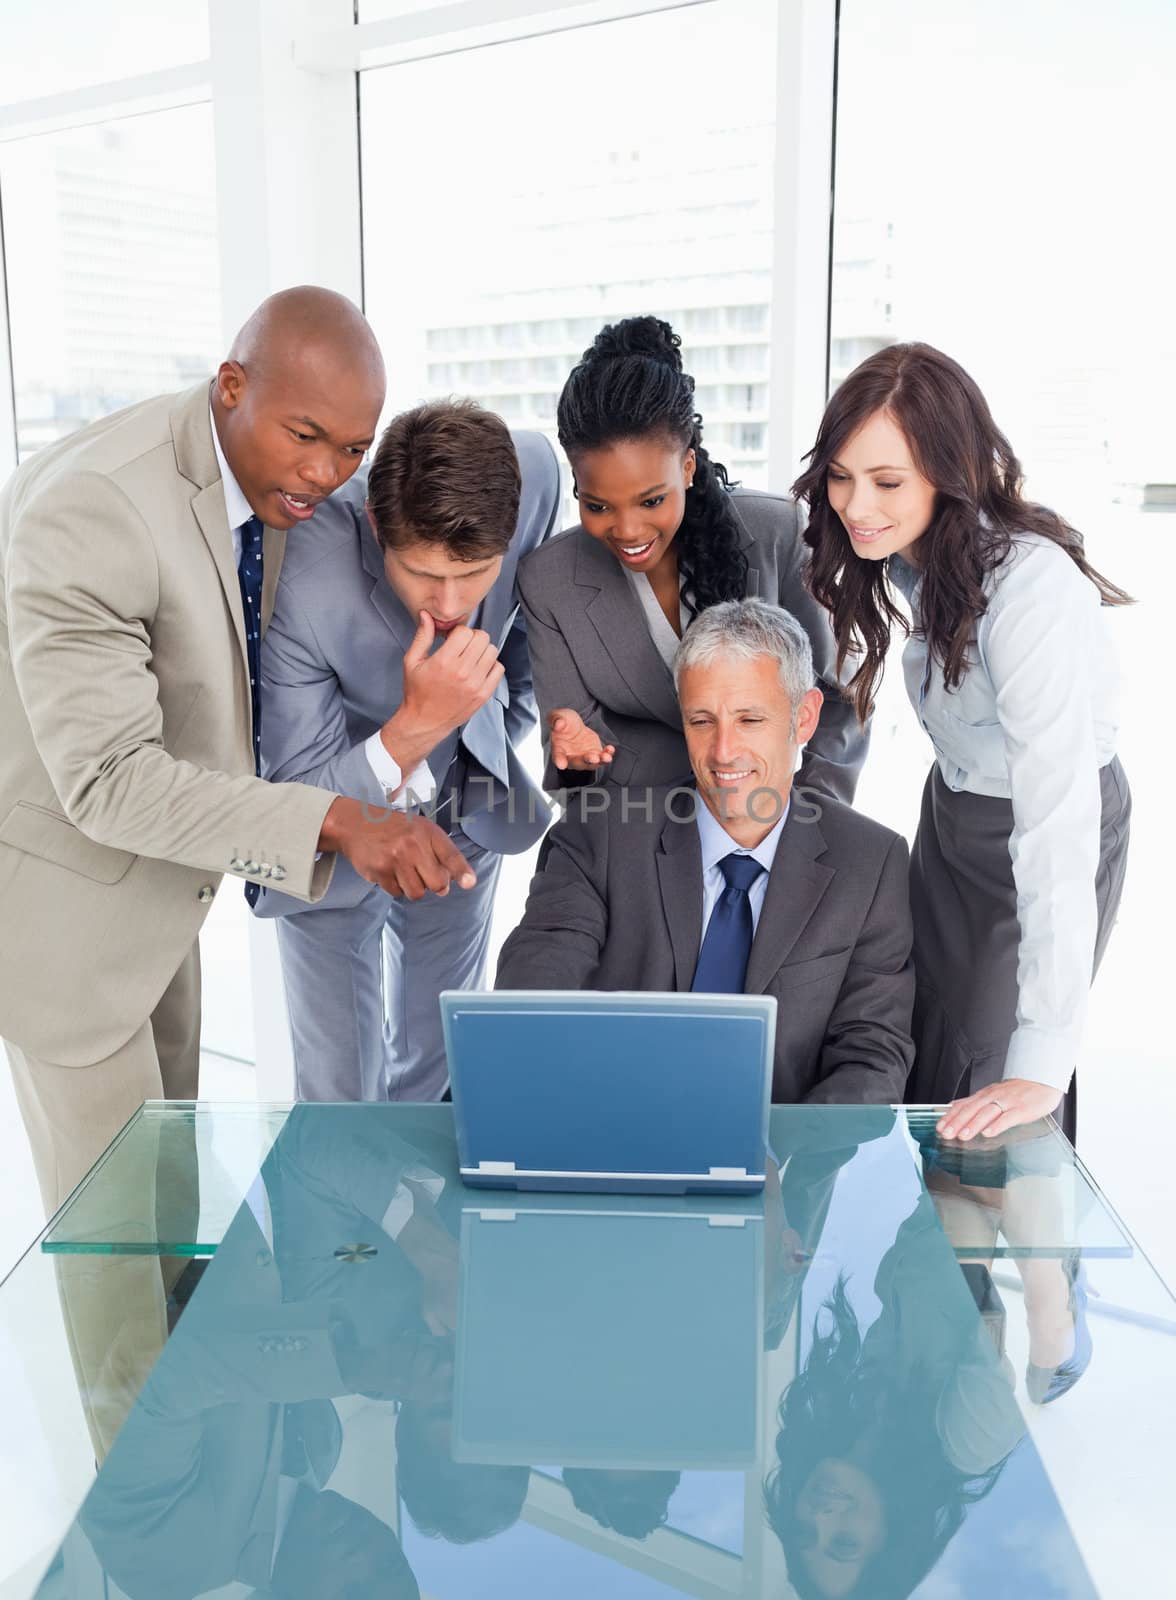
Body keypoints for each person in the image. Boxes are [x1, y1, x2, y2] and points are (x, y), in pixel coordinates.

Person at [0, 286, 475, 1218]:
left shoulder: (276, 497)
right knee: (114, 1254)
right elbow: (106, 782)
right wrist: (342, 816)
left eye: (351, 447)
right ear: (230, 387)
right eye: (306, 434)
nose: (327, 472)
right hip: (65, 926)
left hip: (159, 902)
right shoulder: (98, 509)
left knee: (169, 1222)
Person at [793, 342, 1132, 1144]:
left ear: (950, 472)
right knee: (927, 1035)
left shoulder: (1032, 587)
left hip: (1046, 827)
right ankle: (935, 1259)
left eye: (886, 483)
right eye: (841, 476)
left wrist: (1048, 1057)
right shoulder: (912, 556)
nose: (855, 505)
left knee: (1001, 1077)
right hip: (950, 821)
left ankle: (1040, 1267)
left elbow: (1056, 821)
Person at [256, 400, 561, 1101]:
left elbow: (527, 626)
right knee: (340, 1092)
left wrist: (493, 722)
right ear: (375, 526)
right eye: (424, 574)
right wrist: (418, 726)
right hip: (336, 829)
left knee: (442, 1063)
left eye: (475, 572)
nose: (449, 603)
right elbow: (298, 800)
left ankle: (427, 1215)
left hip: (462, 812)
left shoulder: (535, 474)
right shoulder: (300, 576)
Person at [497, 600, 915, 1104]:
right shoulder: (599, 834)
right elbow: (535, 988)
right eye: (702, 720)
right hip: (613, 1131)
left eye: (749, 719)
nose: (722, 751)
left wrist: (788, 1162)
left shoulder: (870, 863)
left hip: (780, 1155)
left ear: (803, 719)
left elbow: (872, 1055)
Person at [516, 315, 868, 800]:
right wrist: (578, 764)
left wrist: (804, 825)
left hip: (776, 818)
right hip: (635, 827)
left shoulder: (777, 532)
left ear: (686, 466)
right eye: (597, 506)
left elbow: (837, 701)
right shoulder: (549, 580)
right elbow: (573, 771)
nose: (628, 530)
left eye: (651, 500)